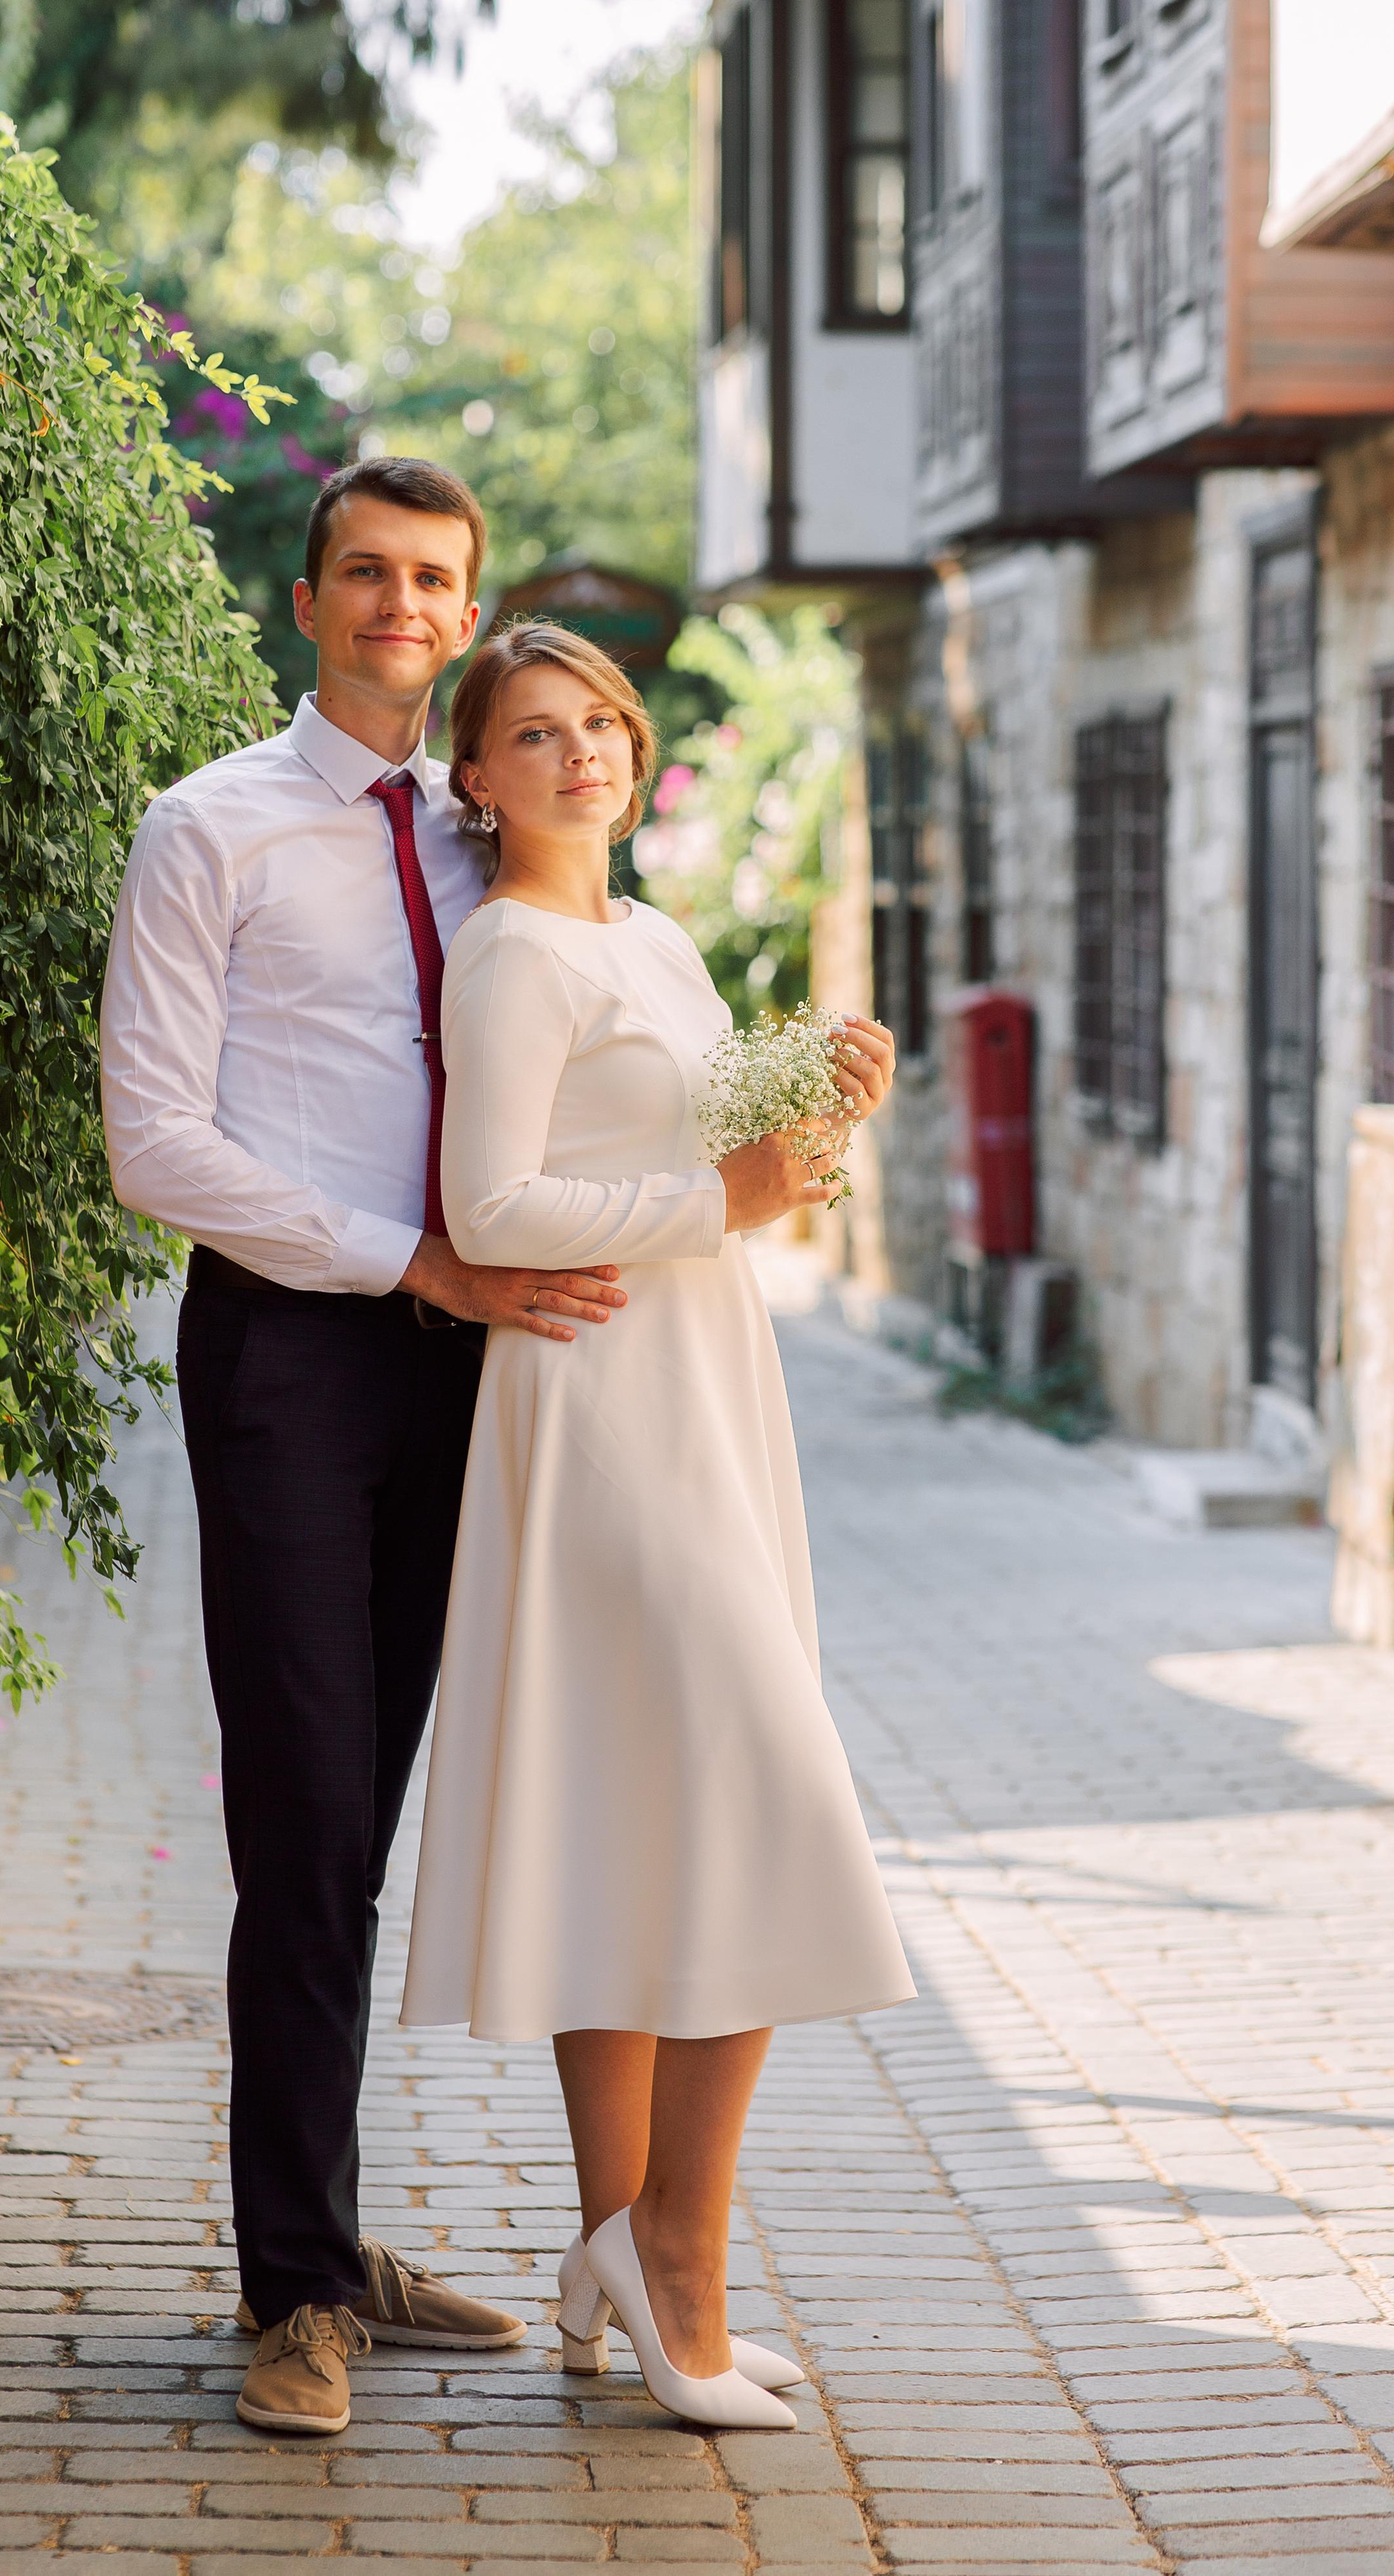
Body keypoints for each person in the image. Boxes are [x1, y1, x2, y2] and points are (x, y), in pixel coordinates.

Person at [100, 461, 629, 2438]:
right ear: (310, 603)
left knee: (415, 1811)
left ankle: (336, 2234)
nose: (404, 603)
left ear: (464, 605)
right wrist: (403, 1258)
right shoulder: (210, 831)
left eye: (438, 578)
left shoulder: (502, 836)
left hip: (486, 1372)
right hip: (299, 1366)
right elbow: (155, 1140)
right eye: (372, 576)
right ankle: (298, 2294)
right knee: (310, 1824)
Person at [400, 622, 917, 2430]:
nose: (578, 754)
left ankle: (620, 2244)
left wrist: (814, 1110)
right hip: (603, 1408)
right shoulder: (512, 955)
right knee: (761, 1794)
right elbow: (495, 1199)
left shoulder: (657, 940)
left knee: (633, 1821)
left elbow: (699, 1153)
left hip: (705, 1395)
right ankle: (679, 2256)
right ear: (477, 779)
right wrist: (728, 1193)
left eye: (598, 724)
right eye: (531, 736)